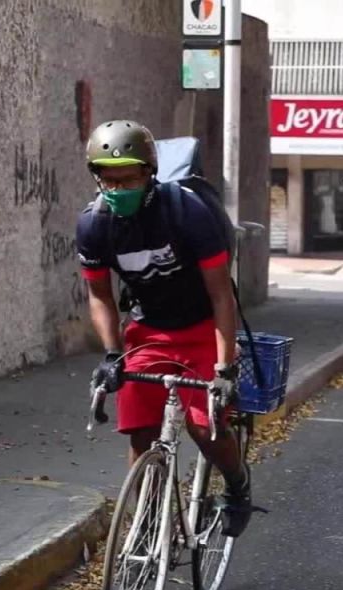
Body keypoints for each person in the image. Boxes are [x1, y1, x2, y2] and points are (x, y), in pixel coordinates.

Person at [77, 120, 254, 537]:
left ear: (149, 172)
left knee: (203, 425)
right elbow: (100, 295)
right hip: (149, 329)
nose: (118, 189)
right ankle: (150, 517)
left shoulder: (187, 213)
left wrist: (225, 370)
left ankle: (237, 483)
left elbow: (220, 296)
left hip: (203, 327)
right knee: (139, 428)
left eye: (128, 178)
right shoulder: (94, 225)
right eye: (108, 180)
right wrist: (109, 354)